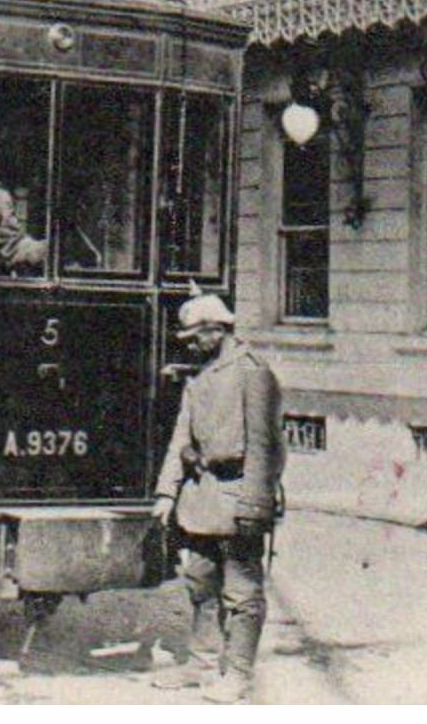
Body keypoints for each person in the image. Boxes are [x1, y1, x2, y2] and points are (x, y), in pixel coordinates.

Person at [149, 293, 283, 704]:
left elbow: (266, 447)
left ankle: (238, 674)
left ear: (216, 330)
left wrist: (254, 505)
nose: (189, 344)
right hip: (200, 500)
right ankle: (202, 664)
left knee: (241, 593)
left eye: (194, 336)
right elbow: (180, 439)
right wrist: (166, 493)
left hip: (237, 496)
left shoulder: (253, 373)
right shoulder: (200, 376)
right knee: (200, 583)